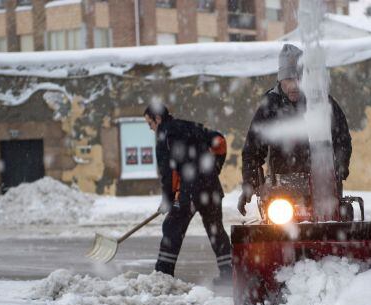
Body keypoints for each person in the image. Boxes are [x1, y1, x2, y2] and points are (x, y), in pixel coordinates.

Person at [237, 43, 353, 215]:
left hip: (323, 185)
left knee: (330, 227)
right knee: (276, 236)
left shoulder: (321, 102)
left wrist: (339, 167)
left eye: (298, 78)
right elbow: (252, 149)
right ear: (280, 79)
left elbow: (342, 138)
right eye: (288, 79)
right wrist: (249, 183)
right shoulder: (270, 105)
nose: (293, 85)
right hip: (281, 188)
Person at [144, 103, 232, 283]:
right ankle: (229, 273)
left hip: (190, 191)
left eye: (150, 124)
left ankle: (163, 275)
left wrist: (167, 199)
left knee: (172, 228)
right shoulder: (190, 126)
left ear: (158, 119)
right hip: (211, 188)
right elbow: (220, 141)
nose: (150, 128)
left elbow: (167, 173)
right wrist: (214, 168)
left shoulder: (164, 136)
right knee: (216, 230)